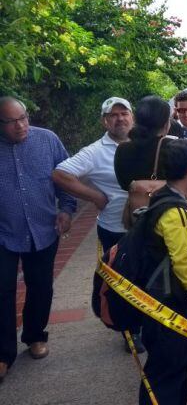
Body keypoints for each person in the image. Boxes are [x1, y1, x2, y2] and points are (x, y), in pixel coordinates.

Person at [52, 97, 145, 354]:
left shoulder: (145, 143)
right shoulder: (94, 151)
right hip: (115, 228)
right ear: (105, 121)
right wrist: (94, 196)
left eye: (124, 113)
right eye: (113, 115)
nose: (120, 119)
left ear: (132, 117)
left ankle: (149, 322)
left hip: (148, 226)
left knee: (148, 277)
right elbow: (60, 174)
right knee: (124, 281)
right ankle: (130, 329)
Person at [0, 96, 76, 381]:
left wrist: (66, 209)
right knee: (2, 290)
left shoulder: (47, 140)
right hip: (4, 232)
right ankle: (3, 354)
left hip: (43, 228)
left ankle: (35, 335)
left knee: (41, 285)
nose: (20, 125)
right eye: (11, 121)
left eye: (23, 118)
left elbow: (66, 177)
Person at [137, 139, 187, 405]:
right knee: (170, 370)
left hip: (158, 302)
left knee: (166, 369)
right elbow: (182, 258)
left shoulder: (162, 198)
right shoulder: (175, 211)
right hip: (170, 305)